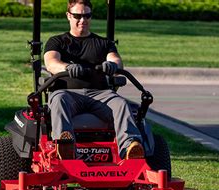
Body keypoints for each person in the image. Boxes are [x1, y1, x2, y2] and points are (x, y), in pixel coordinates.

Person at [43, 0, 144, 160]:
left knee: (122, 104)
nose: (82, 20)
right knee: (58, 99)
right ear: (68, 16)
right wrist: (67, 68)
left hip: (100, 94)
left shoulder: (104, 43)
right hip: (68, 94)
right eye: (77, 16)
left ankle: (131, 148)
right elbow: (51, 63)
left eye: (86, 16)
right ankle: (65, 145)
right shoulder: (57, 41)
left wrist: (112, 65)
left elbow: (116, 60)